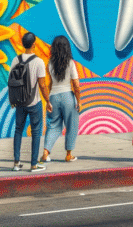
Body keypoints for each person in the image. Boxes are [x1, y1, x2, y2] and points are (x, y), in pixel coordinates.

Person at [12, 32, 51, 173]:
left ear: (23, 44)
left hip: (20, 102)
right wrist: (48, 101)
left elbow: (12, 82)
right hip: (34, 102)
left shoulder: (16, 60)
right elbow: (42, 85)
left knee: (18, 130)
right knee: (35, 132)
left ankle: (16, 163)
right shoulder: (39, 61)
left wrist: (13, 99)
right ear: (34, 44)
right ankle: (33, 164)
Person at [41, 35, 82, 163]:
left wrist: (48, 101)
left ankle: (46, 152)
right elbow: (76, 85)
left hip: (53, 96)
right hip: (68, 97)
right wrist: (79, 101)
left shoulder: (50, 64)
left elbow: (50, 84)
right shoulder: (70, 63)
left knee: (53, 125)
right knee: (71, 125)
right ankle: (69, 155)